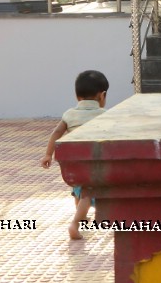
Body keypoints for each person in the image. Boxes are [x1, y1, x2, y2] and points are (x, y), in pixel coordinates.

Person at [41, 70, 110, 240]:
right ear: (102, 95)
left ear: (76, 95)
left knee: (78, 190)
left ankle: (82, 214)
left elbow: (56, 132)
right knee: (87, 193)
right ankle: (75, 223)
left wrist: (48, 154)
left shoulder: (69, 114)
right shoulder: (104, 115)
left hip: (73, 163)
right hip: (93, 164)